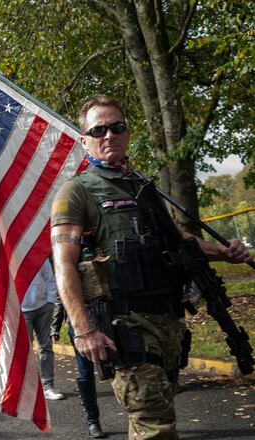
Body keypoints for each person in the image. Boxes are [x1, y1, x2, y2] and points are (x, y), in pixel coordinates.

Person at [50, 95, 253, 440]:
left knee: (160, 412)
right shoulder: (76, 191)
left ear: (128, 133)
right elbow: (64, 263)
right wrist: (83, 329)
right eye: (99, 130)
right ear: (85, 140)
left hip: (169, 321)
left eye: (117, 127)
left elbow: (180, 239)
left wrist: (223, 252)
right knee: (154, 425)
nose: (109, 135)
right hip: (125, 323)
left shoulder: (143, 187)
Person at [52, 294, 106, 438]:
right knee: (86, 372)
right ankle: (93, 421)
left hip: (108, 318)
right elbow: (61, 296)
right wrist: (55, 326)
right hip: (79, 326)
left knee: (121, 369)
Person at [22, 259, 65, 401]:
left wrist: (50, 301)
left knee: (46, 347)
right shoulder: (12, 252)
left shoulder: (38, 253)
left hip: (43, 307)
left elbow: (50, 279)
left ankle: (48, 387)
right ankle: (29, 389)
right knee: (24, 351)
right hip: (22, 310)